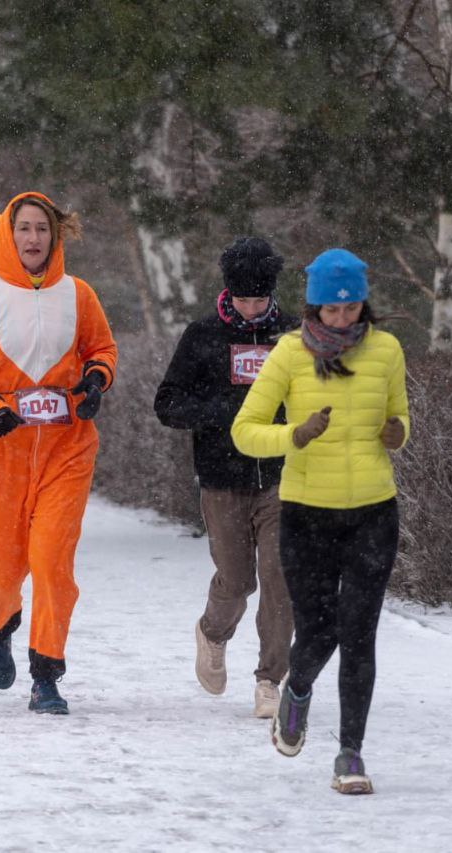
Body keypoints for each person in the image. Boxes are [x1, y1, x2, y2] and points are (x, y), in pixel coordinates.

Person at [231, 248, 410, 796]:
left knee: (360, 633)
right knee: (319, 630)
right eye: (331, 311)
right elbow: (245, 429)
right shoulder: (287, 354)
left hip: (373, 512)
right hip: (307, 514)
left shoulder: (386, 350)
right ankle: (298, 689)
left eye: (351, 308)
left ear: (363, 302)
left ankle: (350, 753)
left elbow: (400, 415)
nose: (342, 319)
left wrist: (397, 432)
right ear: (312, 308)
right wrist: (294, 436)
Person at [0, 191, 118, 715]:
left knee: (52, 560)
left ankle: (47, 675)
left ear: (55, 235)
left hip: (67, 450)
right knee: (2, 566)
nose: (34, 239)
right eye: (25, 229)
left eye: (42, 229)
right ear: (7, 235)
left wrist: (94, 381)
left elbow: (102, 349)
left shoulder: (80, 295)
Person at [154, 237, 296, 718]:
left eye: (260, 300)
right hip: (223, 477)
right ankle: (213, 633)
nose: (252, 309)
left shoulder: (294, 335)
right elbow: (167, 404)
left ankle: (269, 679)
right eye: (243, 300)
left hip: (284, 477)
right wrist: (225, 411)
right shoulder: (203, 336)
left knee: (280, 578)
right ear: (227, 293)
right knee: (237, 581)